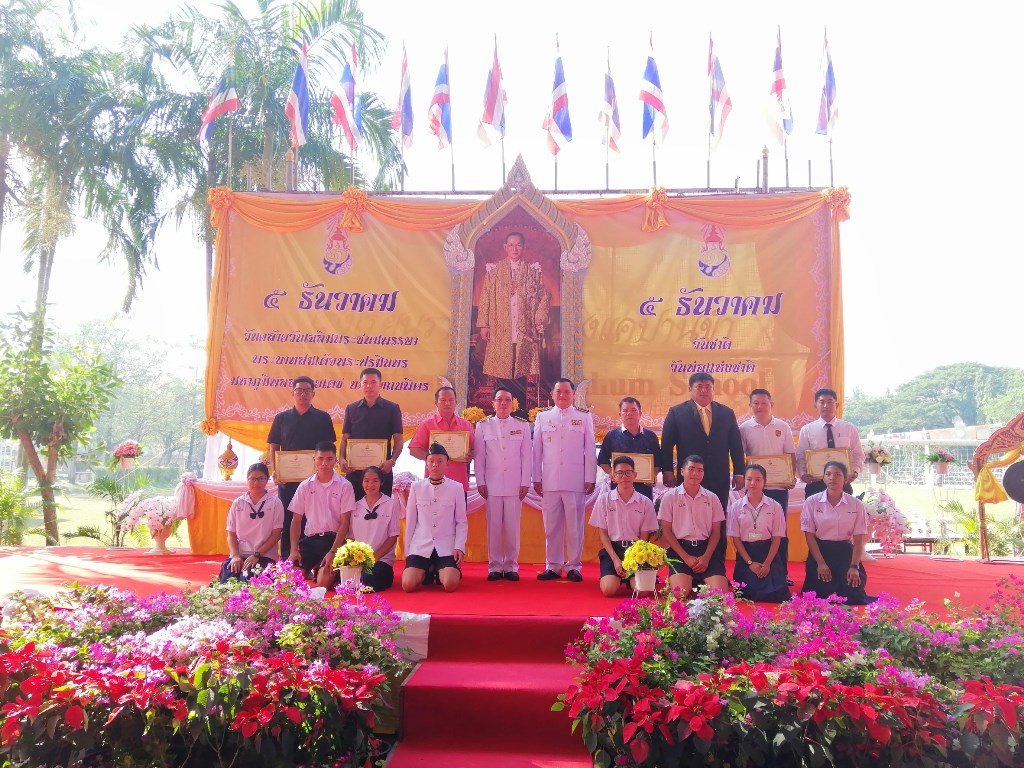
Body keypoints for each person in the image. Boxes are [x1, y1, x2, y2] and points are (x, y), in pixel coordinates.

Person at [661, 372, 745, 557]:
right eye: (699, 386)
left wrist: (740, 472)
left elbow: (736, 445)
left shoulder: (726, 413)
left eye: (708, 387)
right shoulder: (676, 412)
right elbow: (666, 444)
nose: (704, 390)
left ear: (713, 390)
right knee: (687, 518)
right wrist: (667, 470)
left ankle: (716, 562)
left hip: (718, 477)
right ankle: (685, 560)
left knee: (717, 520)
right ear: (690, 389)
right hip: (689, 477)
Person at [533, 378, 596, 582]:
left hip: (575, 481)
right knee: (551, 526)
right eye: (558, 391)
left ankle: (574, 566)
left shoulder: (583, 417)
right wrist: (536, 477)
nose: (562, 395)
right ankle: (553, 565)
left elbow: (590, 450)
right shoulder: (542, 417)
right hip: (550, 481)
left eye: (567, 392)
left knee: (575, 526)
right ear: (552, 394)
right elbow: (537, 451)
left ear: (573, 394)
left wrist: (590, 477)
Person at [476, 231, 551, 405]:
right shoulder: (494, 270)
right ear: (505, 247)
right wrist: (484, 325)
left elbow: (544, 296)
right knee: (502, 366)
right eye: (511, 245)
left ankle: (519, 409)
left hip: (524, 328)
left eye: (518, 245)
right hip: (500, 326)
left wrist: (539, 318)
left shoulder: (532, 270)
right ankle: (501, 408)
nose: (514, 249)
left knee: (521, 367)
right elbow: (485, 297)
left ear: (523, 247)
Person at [267, 375, 337, 557]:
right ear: (293, 393)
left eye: (307, 390)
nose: (303, 394)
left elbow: (328, 446)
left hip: (315, 479)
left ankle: (310, 559)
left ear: (313, 394)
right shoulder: (281, 418)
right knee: (288, 517)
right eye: (299, 390)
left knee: (313, 517)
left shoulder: (323, 418)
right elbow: (274, 445)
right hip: (288, 480)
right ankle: (288, 559)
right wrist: (275, 469)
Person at [475, 387, 532, 581]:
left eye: (507, 400)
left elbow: (527, 456)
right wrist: (480, 481)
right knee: (493, 527)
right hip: (491, 484)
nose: (503, 403)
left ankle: (511, 566)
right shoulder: (483, 425)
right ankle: (494, 566)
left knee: (512, 527)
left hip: (515, 484)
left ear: (512, 404)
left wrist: (525, 481)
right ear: (493, 403)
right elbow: (479, 457)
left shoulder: (522, 425)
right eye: (499, 400)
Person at [800, 460, 874, 605]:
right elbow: (809, 535)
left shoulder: (856, 504)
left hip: (845, 552)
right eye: (828, 474)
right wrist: (820, 563)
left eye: (837, 474)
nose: (832, 478)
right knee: (819, 596)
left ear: (845, 479)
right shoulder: (812, 501)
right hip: (821, 551)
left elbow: (858, 538)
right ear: (823, 478)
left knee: (853, 595)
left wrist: (854, 566)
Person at [659, 455, 731, 597]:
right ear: (682, 471)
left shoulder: (712, 498)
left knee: (719, 594)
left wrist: (706, 557)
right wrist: (686, 557)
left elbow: (716, 531)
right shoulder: (670, 497)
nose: (695, 474)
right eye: (691, 469)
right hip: (680, 550)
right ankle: (691, 581)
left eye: (700, 470)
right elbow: (666, 530)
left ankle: (700, 580)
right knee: (680, 593)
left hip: (706, 550)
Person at [588, 456, 659, 597]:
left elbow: (644, 536)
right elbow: (603, 533)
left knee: (642, 591)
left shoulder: (645, 502)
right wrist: (616, 559)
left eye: (628, 472)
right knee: (608, 590)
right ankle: (616, 577)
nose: (624, 476)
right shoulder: (604, 500)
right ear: (613, 476)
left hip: (636, 550)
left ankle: (630, 579)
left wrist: (633, 560)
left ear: (635, 475)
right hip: (613, 549)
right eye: (619, 473)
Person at [287, 441, 356, 585]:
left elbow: (345, 523)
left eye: (329, 459)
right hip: (310, 541)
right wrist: (294, 550)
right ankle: (313, 568)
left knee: (323, 583)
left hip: (334, 541)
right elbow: (296, 520)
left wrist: (333, 552)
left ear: (335, 460)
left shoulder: (345, 486)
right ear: (314, 459)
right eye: (320, 459)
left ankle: (320, 570)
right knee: (290, 580)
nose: (324, 463)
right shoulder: (305, 486)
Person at [402, 443, 468, 593]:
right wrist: (408, 552)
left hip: (446, 546)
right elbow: (411, 521)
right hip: (421, 546)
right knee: (408, 585)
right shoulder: (416, 487)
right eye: (431, 461)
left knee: (450, 584)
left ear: (447, 463)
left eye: (440, 461)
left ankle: (439, 571)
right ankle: (428, 571)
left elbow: (461, 522)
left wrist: (459, 547)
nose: (435, 465)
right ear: (426, 463)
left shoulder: (456, 488)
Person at [325, 466, 400, 592]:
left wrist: (373, 559)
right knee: (333, 578)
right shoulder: (355, 506)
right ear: (362, 482)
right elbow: (350, 538)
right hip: (358, 561)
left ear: (381, 482)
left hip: (381, 560)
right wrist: (352, 560)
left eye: (375, 480)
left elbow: (393, 536)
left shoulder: (391, 504)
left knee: (367, 580)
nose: (370, 485)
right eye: (366, 480)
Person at [728, 465, 790, 603]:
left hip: (768, 554)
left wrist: (767, 564)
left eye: (758, 479)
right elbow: (736, 539)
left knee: (776, 594)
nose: (753, 483)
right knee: (747, 593)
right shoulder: (736, 507)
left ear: (764, 482)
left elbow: (777, 538)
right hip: (746, 555)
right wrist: (750, 563)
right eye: (749, 479)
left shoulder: (775, 506)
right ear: (744, 480)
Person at [339, 368, 404, 500]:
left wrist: (392, 460)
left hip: (382, 472)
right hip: (355, 472)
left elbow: (398, 440)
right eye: (365, 382)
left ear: (381, 384)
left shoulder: (392, 408)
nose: (369, 386)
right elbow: (345, 439)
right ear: (360, 385)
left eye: (373, 382)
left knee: (381, 509)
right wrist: (341, 458)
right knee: (353, 508)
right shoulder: (351, 409)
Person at [219, 462, 283, 583]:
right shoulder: (238, 503)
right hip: (240, 554)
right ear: (247, 480)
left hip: (263, 555)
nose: (256, 483)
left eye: (261, 479)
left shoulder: (275, 503)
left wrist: (257, 555)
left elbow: (276, 535)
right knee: (228, 581)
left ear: (267, 480)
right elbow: (231, 534)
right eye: (252, 479)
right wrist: (235, 556)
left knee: (249, 580)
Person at [796, 388, 864, 496]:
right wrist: (803, 474)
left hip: (843, 483)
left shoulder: (849, 428)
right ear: (815, 405)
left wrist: (855, 471)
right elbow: (800, 455)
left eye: (830, 402)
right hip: (816, 483)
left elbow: (858, 453)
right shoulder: (807, 430)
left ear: (837, 405)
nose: (826, 406)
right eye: (822, 402)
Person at [408, 386, 476, 492]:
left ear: (456, 402)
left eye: (451, 400)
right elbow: (414, 450)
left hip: (459, 481)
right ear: (436, 403)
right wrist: (433, 458)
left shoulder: (466, 425)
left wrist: (470, 456)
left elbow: (474, 449)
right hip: (434, 482)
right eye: (443, 400)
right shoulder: (427, 424)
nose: (447, 403)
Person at [739, 389, 796, 512]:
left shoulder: (783, 426)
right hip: (755, 486)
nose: (760, 406)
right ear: (750, 405)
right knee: (753, 520)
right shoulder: (744, 428)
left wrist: (790, 478)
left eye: (764, 403)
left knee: (779, 521)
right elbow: (740, 457)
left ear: (771, 404)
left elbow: (790, 454)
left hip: (779, 486)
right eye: (756, 403)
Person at [597, 397, 664, 500]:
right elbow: (602, 460)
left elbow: (658, 462)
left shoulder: (650, 436)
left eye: (633, 410)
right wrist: (612, 473)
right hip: (619, 489)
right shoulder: (612, 436)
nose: (629, 414)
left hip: (644, 490)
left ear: (640, 413)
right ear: (620, 414)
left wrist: (653, 475)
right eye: (625, 411)